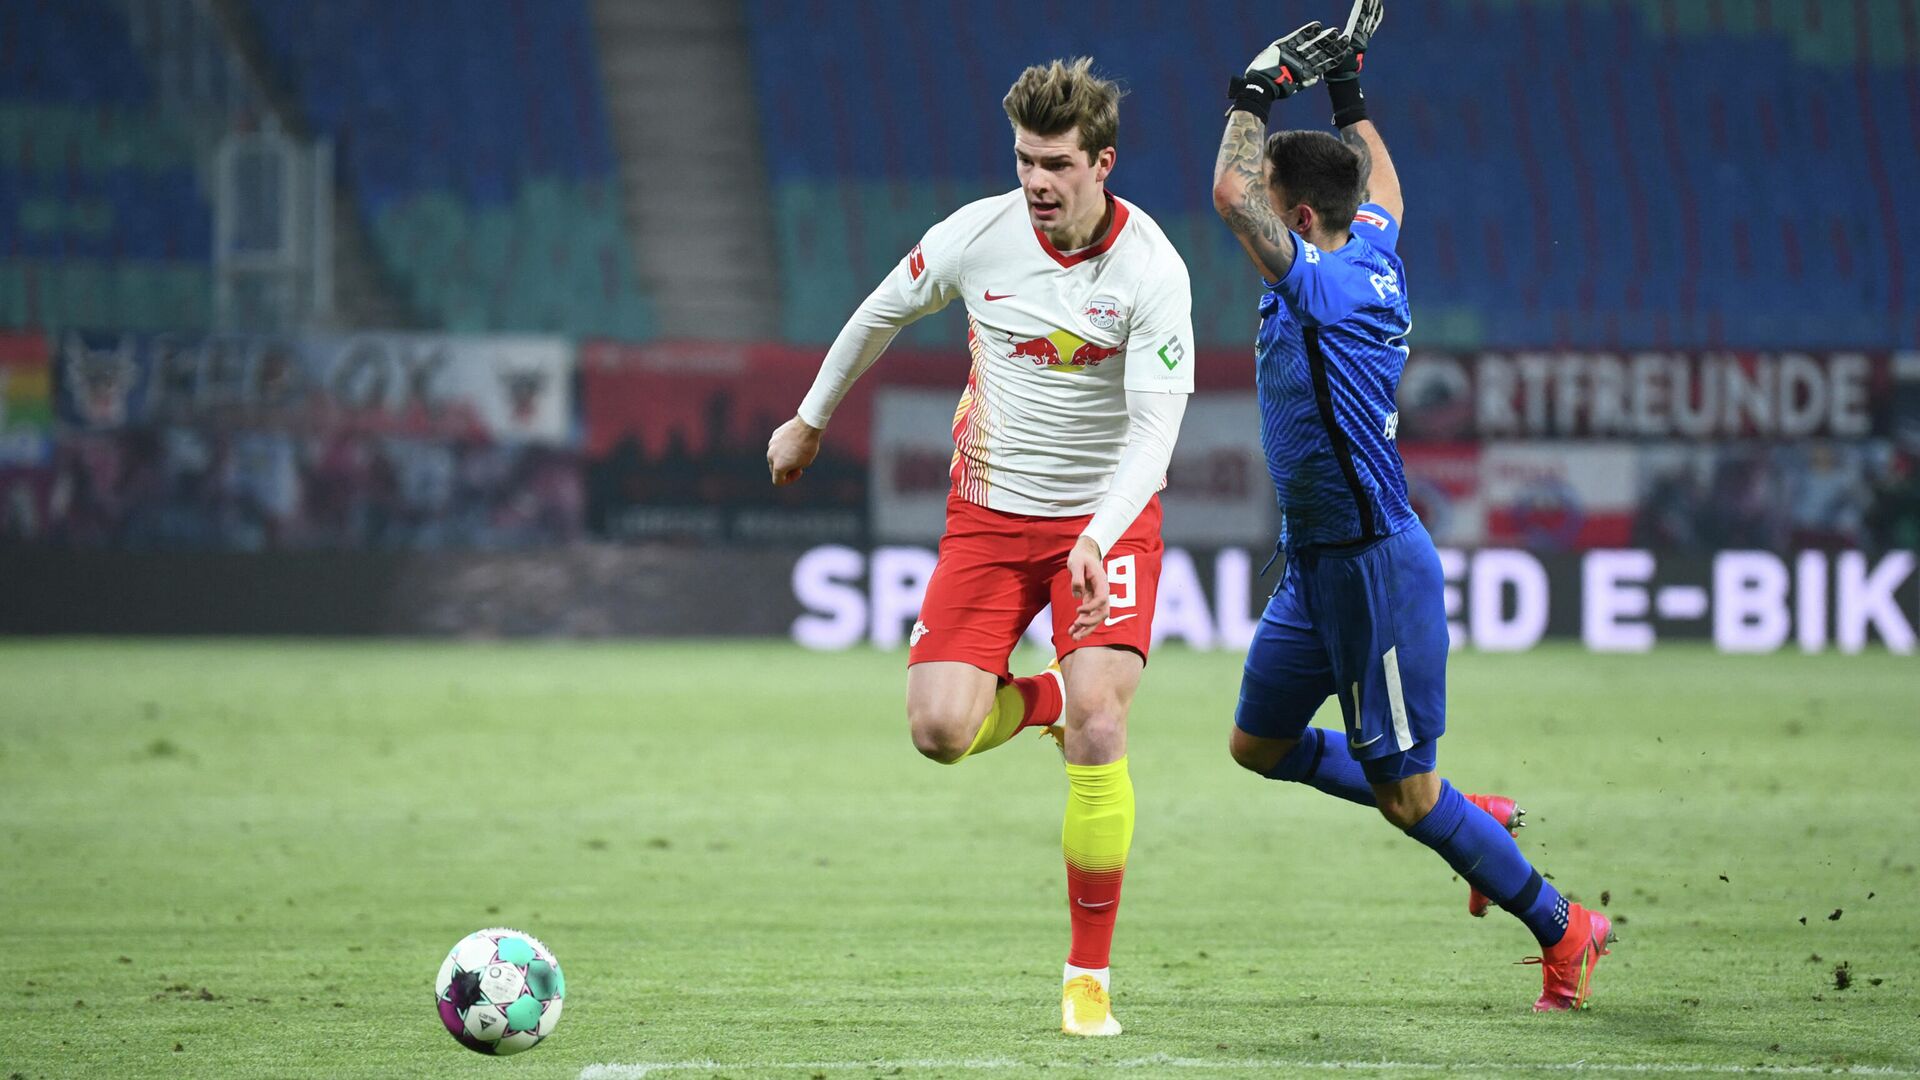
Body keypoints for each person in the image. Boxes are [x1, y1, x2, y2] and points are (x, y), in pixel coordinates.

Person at [767, 57, 1194, 1036]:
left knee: (1100, 723)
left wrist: (1096, 535)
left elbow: (1155, 436)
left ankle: (1088, 979)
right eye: (1023, 161)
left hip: (1108, 520)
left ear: (1101, 163)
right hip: (992, 519)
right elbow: (880, 311)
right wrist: (810, 419)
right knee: (940, 733)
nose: (1036, 182)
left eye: (1054, 164)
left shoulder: (1152, 270)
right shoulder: (980, 233)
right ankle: (1040, 696)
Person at [1208, 6, 1615, 1012]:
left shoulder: (1330, 289)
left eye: (1274, 203)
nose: (1259, 206)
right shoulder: (1371, 243)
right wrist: (1350, 91)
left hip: (1373, 572)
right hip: (1316, 566)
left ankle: (1566, 927)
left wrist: (1253, 96)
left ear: (1298, 223)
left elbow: (1227, 190)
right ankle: (1463, 808)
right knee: (1258, 746)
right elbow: (1383, 181)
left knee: (1403, 796)